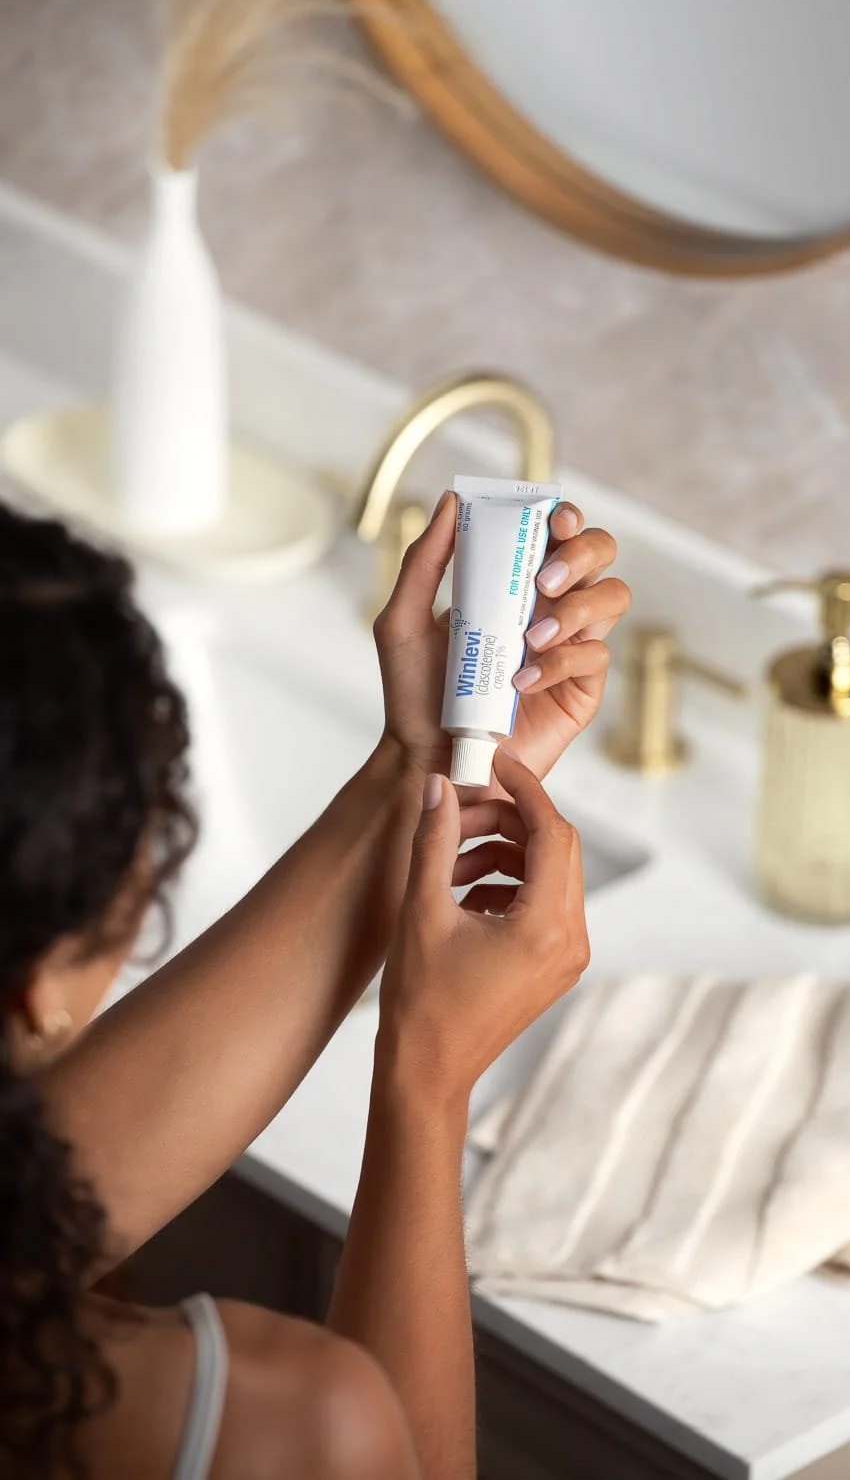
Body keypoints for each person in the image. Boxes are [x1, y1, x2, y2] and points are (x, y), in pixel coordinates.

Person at [0, 491, 630, 1480]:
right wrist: (427, 1080)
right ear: (38, 987)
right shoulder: (264, 1424)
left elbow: (39, 1195)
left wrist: (420, 768)